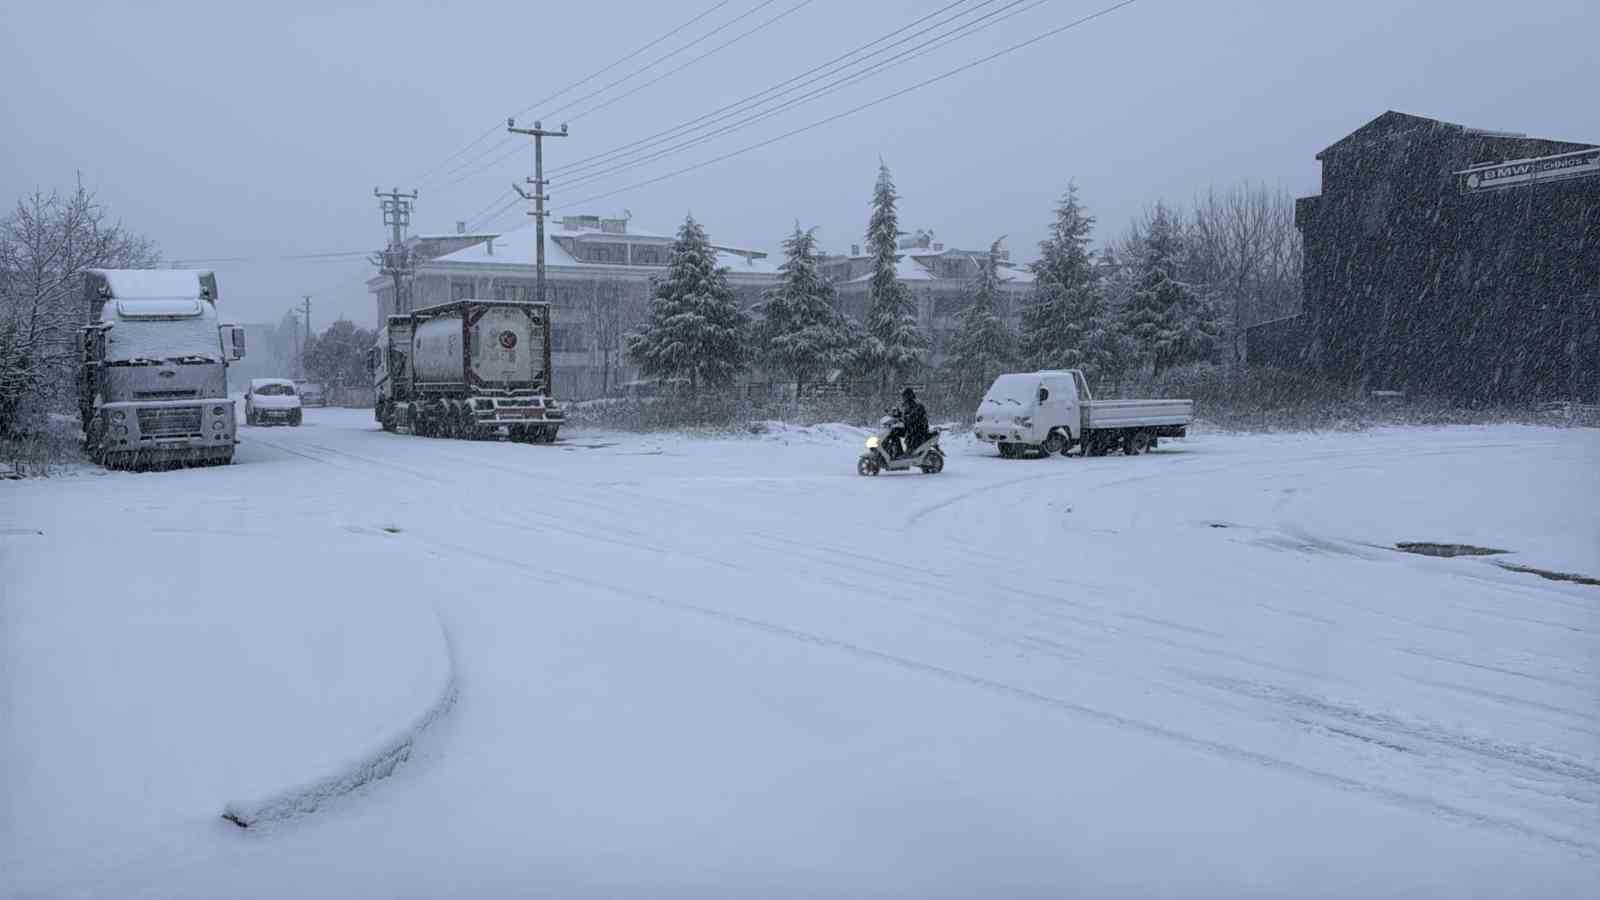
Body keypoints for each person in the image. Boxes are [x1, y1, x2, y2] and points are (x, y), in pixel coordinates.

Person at [898, 387, 929, 457]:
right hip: (912, 425)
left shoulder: (917, 404)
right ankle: (895, 452)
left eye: (905, 396)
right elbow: (905, 413)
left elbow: (913, 416)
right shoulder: (908, 404)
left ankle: (911, 449)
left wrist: (905, 418)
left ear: (909, 395)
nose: (903, 398)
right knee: (895, 432)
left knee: (911, 432)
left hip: (920, 426)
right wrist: (897, 415)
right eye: (903, 396)